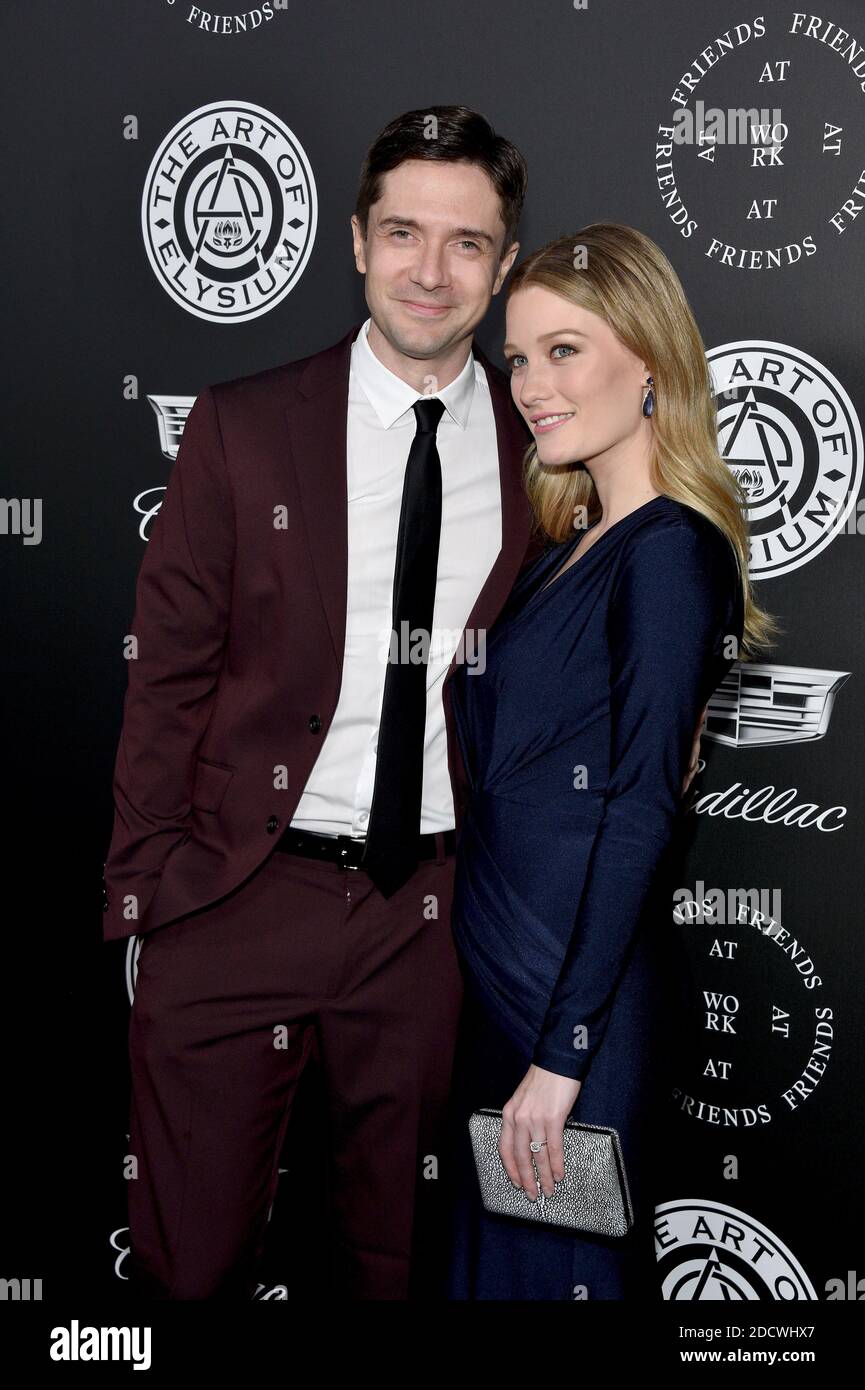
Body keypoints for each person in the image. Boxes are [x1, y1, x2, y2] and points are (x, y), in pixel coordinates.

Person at [101, 106, 706, 1301]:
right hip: (238, 897)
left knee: (401, 1262)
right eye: (403, 233)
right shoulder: (243, 427)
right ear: (355, 244)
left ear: (502, 262)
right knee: (192, 1261)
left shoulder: (548, 455)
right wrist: (154, 894)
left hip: (433, 924)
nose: (430, 271)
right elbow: (164, 675)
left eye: (468, 243)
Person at [445, 223, 780, 1300]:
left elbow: (641, 805)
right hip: (500, 991)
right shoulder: (564, 550)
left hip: (570, 1008)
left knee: (556, 1285)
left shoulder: (671, 552)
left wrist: (564, 1053)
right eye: (518, 357)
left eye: (564, 351)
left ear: (649, 363)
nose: (530, 385)